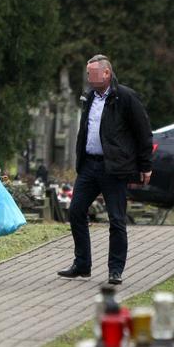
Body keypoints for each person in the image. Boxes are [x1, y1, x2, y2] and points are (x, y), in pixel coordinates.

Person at [57, 55, 152, 285]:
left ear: (106, 73)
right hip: (89, 165)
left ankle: (115, 269)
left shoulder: (125, 97)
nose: (89, 77)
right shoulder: (89, 97)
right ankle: (82, 264)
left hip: (114, 167)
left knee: (116, 219)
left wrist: (145, 165)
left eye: (92, 73)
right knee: (77, 211)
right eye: (88, 73)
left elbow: (143, 131)